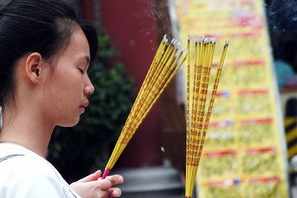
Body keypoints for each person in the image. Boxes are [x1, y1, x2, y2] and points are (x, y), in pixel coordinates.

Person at [0, 0, 124, 197]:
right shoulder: (32, 179)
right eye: (81, 69)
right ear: (36, 68)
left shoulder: (15, 173)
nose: (90, 87)